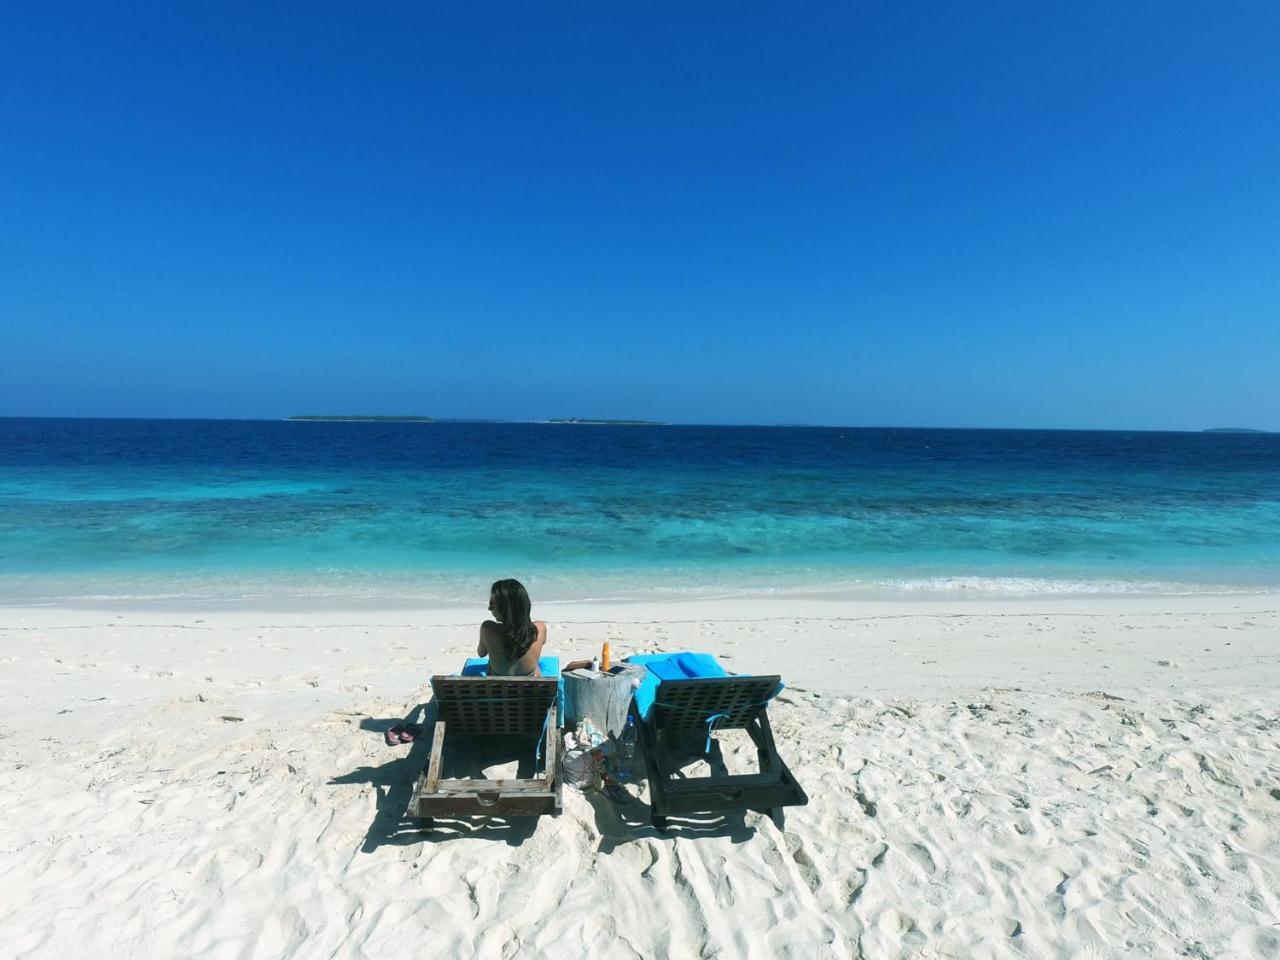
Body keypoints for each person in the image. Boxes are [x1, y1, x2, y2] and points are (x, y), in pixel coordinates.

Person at [478, 578, 547, 676]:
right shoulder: (540, 628)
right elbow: (543, 641)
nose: (489, 608)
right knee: (536, 667)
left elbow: (481, 653)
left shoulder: (487, 629)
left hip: (497, 687)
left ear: (506, 610)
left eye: (492, 605)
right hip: (530, 688)